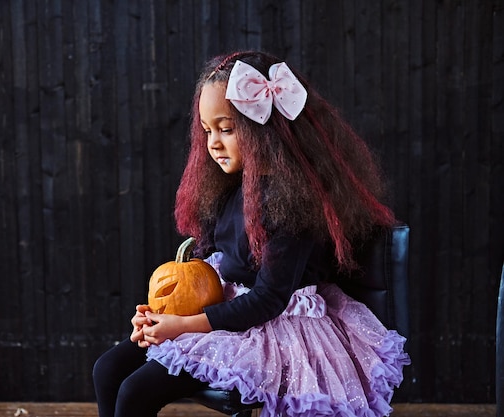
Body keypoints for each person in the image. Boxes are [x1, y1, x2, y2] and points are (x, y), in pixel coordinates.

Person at [92, 50, 410, 417]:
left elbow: (267, 300)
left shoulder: (291, 201)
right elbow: (207, 270)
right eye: (208, 130)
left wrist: (181, 325)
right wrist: (156, 316)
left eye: (226, 129)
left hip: (273, 327)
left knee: (135, 390)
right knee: (108, 370)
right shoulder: (229, 188)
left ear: (265, 131)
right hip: (227, 309)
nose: (213, 143)